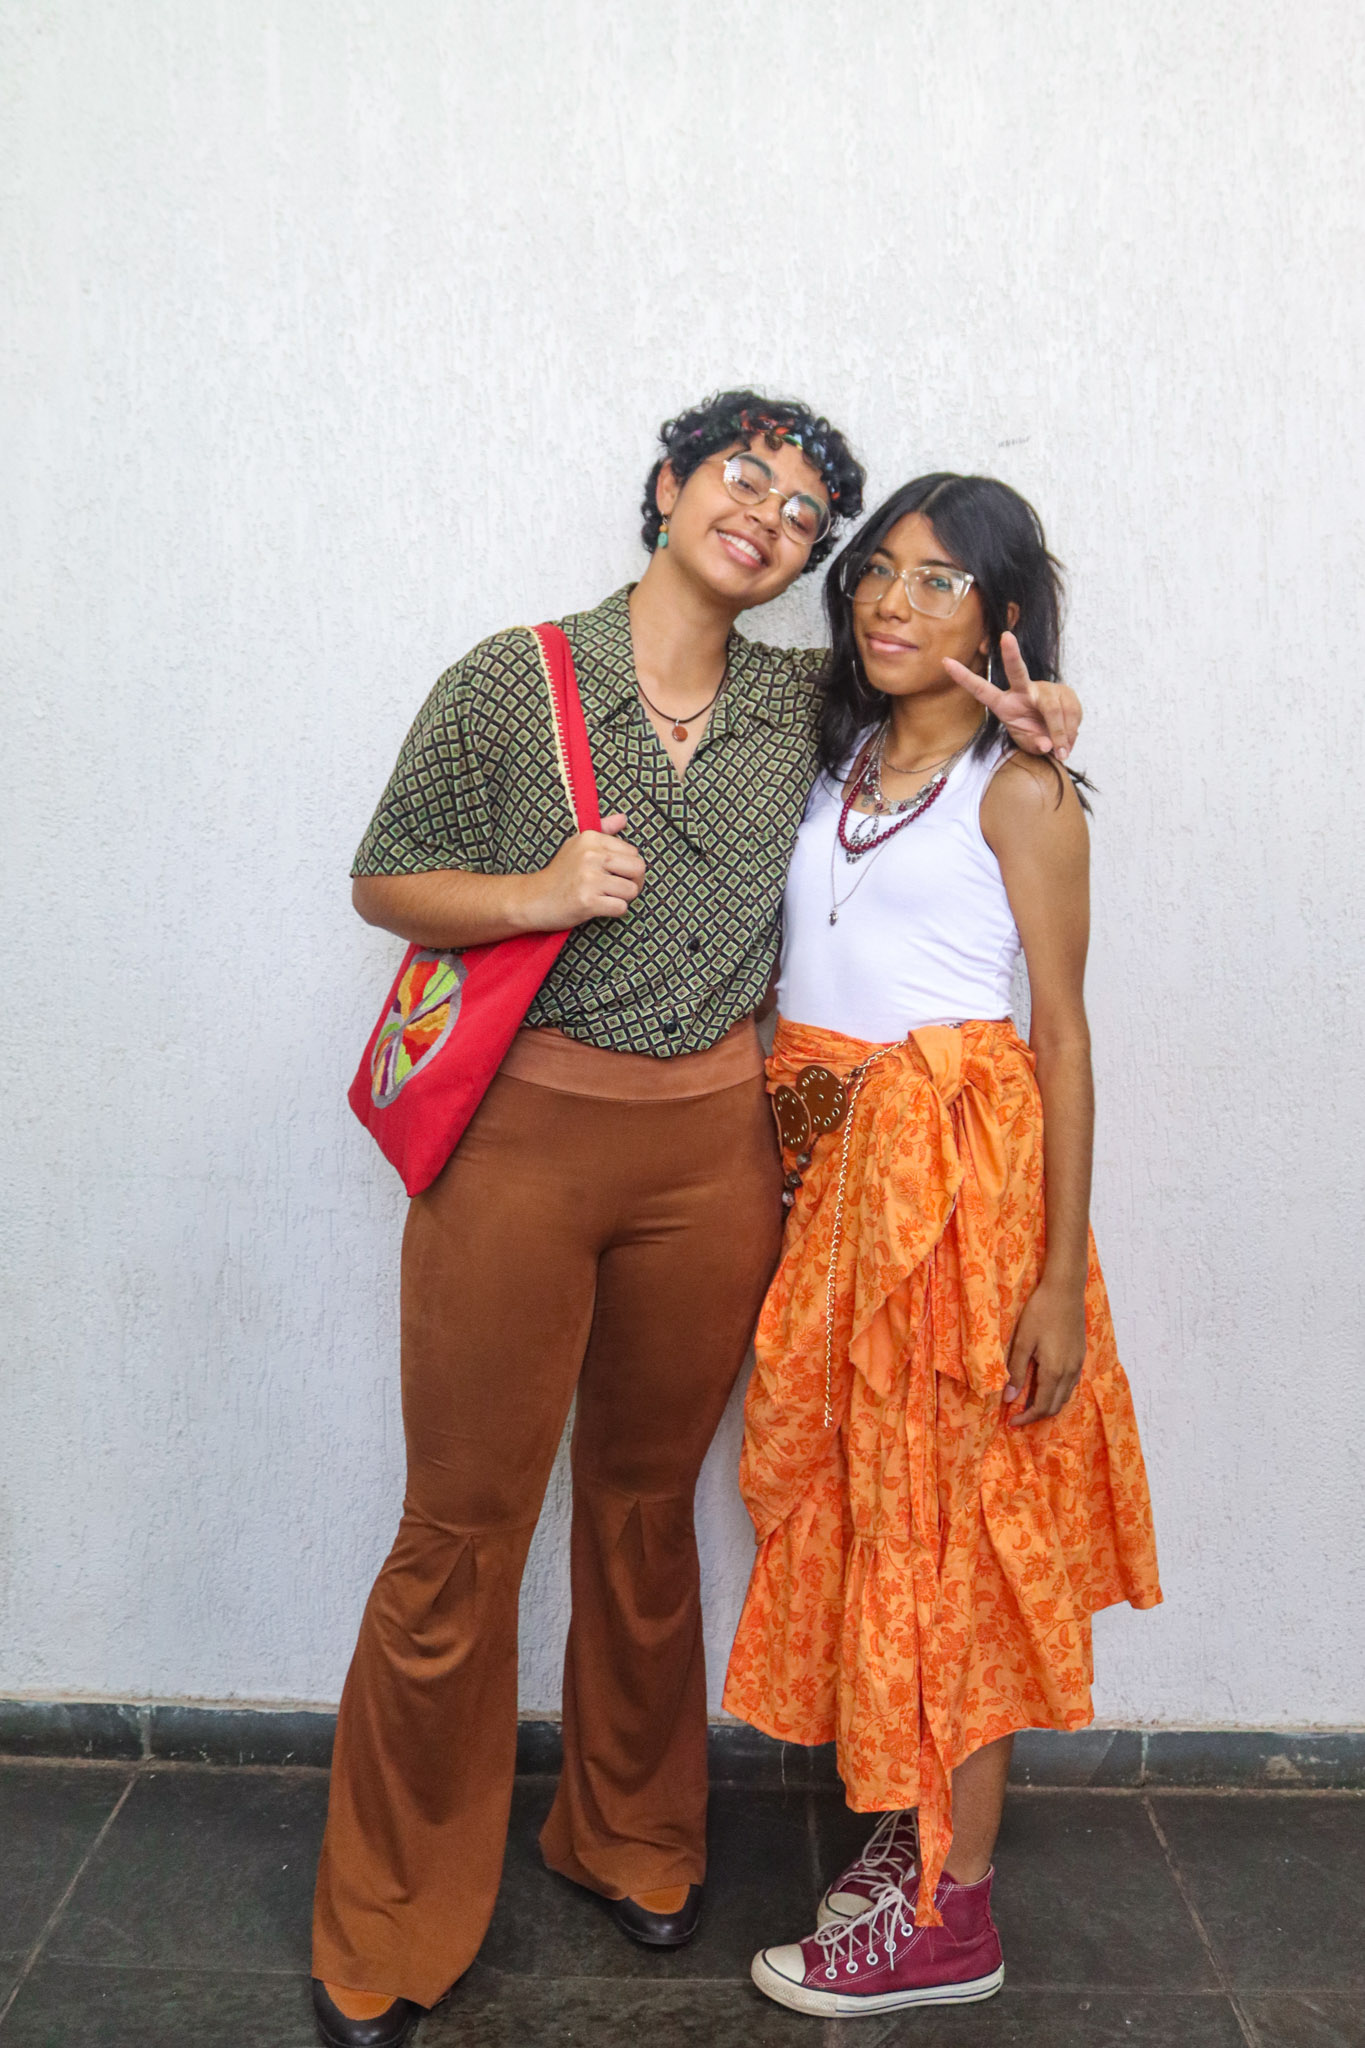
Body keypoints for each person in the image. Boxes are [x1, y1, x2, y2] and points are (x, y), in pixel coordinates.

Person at [310, 398, 1081, 2048]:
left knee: (645, 1509)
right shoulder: (509, 679)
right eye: (745, 477)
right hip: (519, 1140)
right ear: (665, 489)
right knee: (460, 1527)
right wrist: (531, 894)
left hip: (715, 1159)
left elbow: (959, 733)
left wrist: (1050, 726)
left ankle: (629, 1833)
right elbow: (385, 877)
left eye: (805, 512)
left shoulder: (809, 704)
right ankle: (389, 1909)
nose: (771, 516)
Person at [723, 473, 1162, 2018]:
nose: (892, 603)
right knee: (873, 1525)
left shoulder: (1019, 791)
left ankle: (951, 1916)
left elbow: (1062, 1034)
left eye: (938, 582)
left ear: (1002, 617)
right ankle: (916, 1840)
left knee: (957, 1544)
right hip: (831, 1201)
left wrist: (1055, 1283)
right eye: (878, 573)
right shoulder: (830, 754)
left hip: (957, 1213)